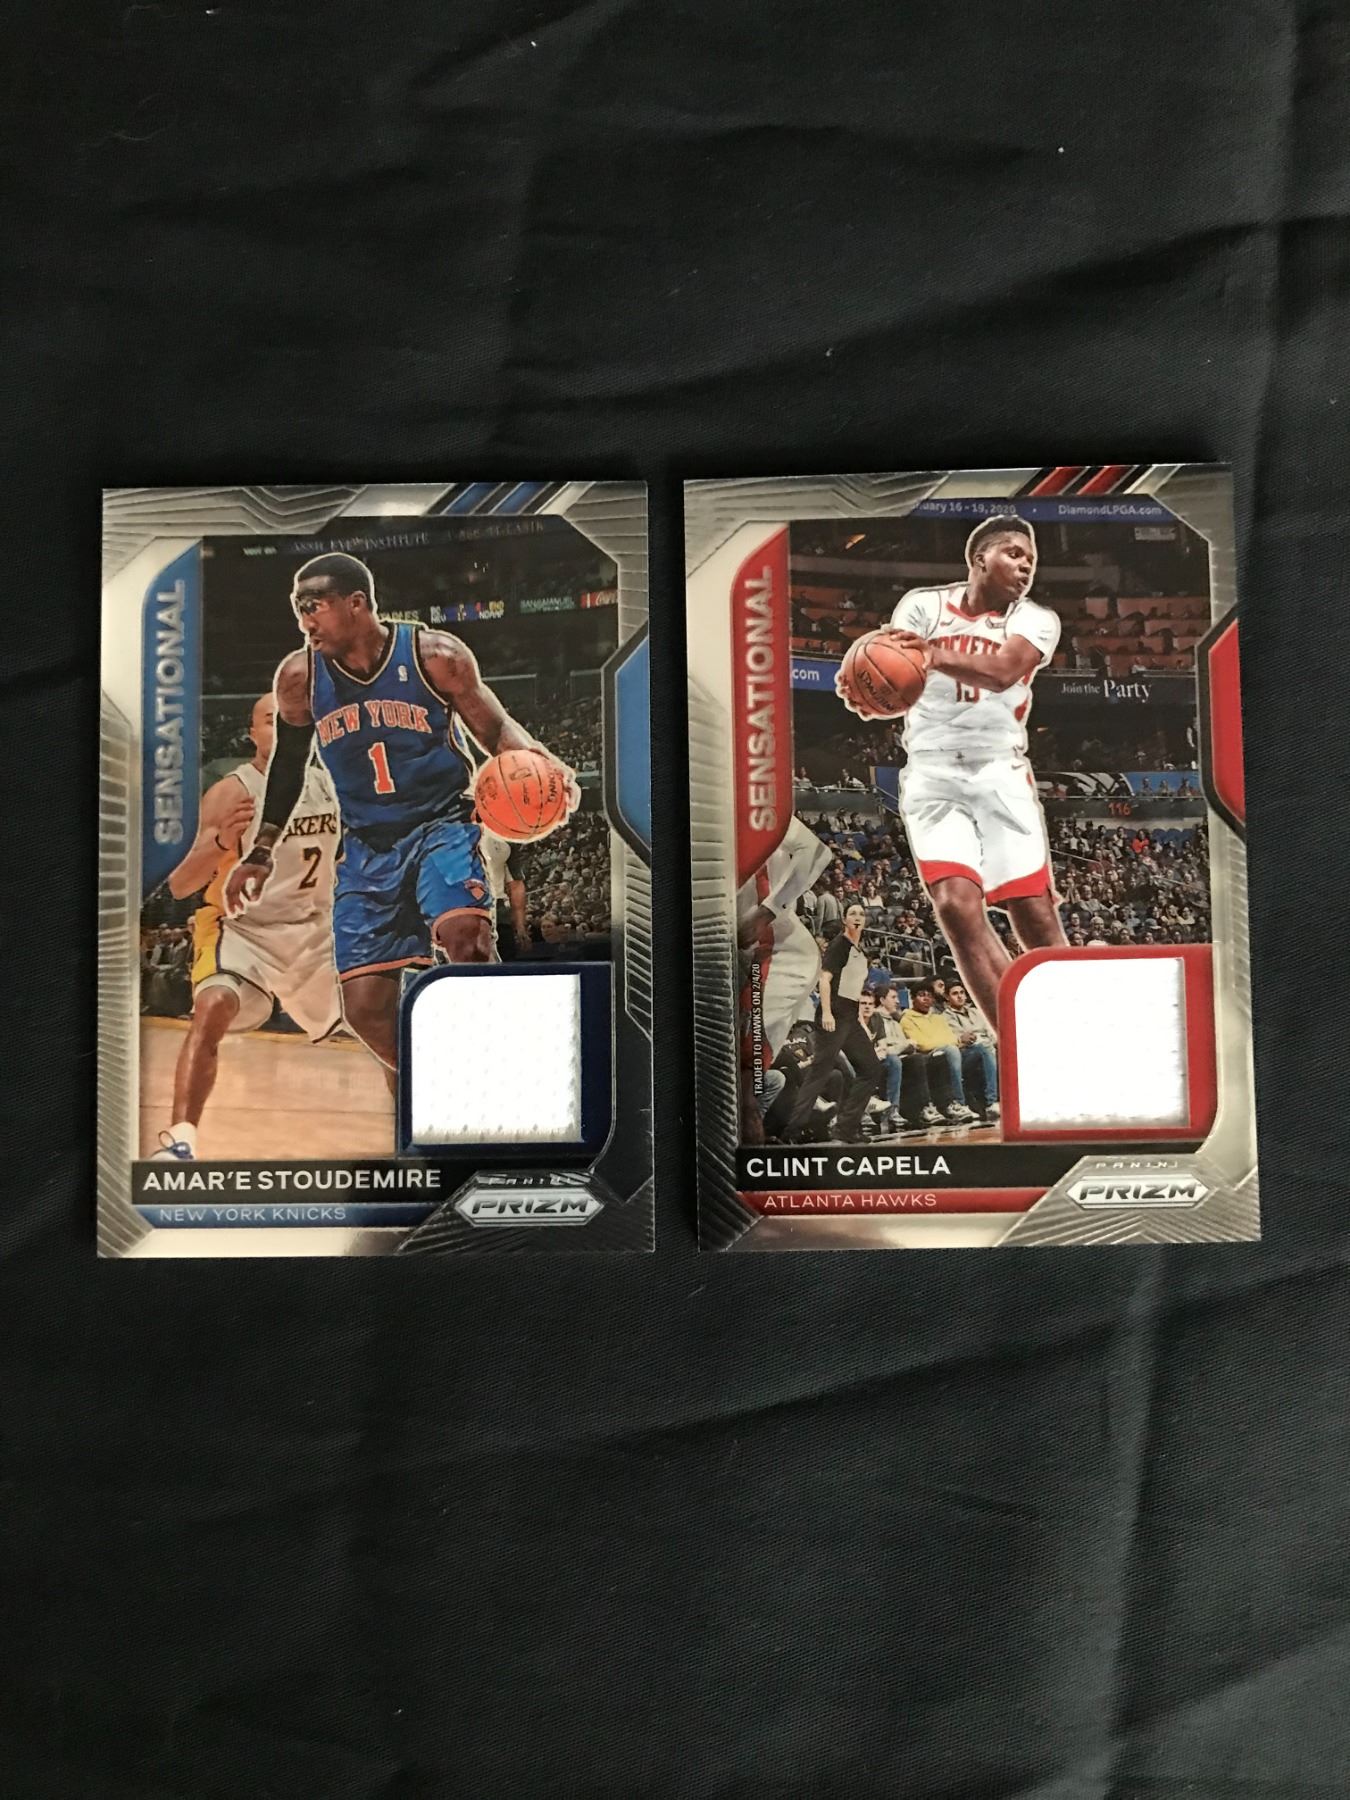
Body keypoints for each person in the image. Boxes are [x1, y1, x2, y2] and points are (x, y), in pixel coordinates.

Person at [225, 553, 577, 1071]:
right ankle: (440, 1081)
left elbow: (495, 730)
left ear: (356, 603)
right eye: (299, 609)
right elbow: (288, 764)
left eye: (314, 606)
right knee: (365, 1009)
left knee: (467, 942)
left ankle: (511, 1067)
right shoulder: (299, 678)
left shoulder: (435, 655)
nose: (304, 622)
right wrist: (260, 851)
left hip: (441, 826)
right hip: (367, 846)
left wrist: (543, 765)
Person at [836, 513, 1066, 1027]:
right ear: (980, 558)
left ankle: (1073, 1024)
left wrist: (932, 654)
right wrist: (866, 690)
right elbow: (893, 668)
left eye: (1031, 558)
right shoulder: (922, 605)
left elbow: (1004, 671)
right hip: (933, 772)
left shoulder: (1036, 619)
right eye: (1014, 552)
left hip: (999, 771)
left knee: (1034, 914)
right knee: (956, 908)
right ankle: (1020, 1039)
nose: (1026, 565)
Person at [152, 695, 341, 1160]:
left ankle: (425, 1140)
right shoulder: (232, 792)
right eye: (270, 721)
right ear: (252, 733)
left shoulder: (332, 785)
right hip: (241, 929)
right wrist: (220, 841)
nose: (281, 728)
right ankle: (180, 1141)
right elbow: (180, 884)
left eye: (292, 720)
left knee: (387, 1022)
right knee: (213, 1005)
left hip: (315, 931)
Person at [784, 902, 887, 1143]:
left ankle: (846, 1129)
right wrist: (827, 1013)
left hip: (850, 1015)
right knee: (820, 1072)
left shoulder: (858, 949)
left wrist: (860, 1021)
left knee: (871, 1069)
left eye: (861, 914)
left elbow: (853, 989)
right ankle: (792, 1131)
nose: (857, 917)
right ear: (844, 919)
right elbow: (825, 979)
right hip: (834, 1013)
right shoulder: (839, 944)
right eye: (852, 913)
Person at [898, 984, 979, 1124]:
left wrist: (951, 1042)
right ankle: (958, 1102)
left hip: (943, 1053)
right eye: (921, 995)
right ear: (913, 998)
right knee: (950, 1050)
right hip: (925, 1056)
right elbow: (922, 1044)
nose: (926, 999)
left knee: (979, 1050)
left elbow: (950, 1037)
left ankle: (989, 1102)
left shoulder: (938, 1018)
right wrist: (952, 1041)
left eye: (929, 996)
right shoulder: (907, 1019)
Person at [869, 984, 943, 1132]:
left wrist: (906, 1046)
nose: (897, 1001)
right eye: (893, 997)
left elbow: (907, 1044)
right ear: (882, 1000)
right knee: (896, 1060)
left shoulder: (896, 1020)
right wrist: (903, 1046)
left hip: (900, 1057)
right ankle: (893, 1110)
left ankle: (927, 1108)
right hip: (882, 1060)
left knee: (922, 1059)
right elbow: (882, 1050)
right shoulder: (874, 1018)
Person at [942, 981, 1000, 1121]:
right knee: (983, 1050)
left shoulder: (976, 1012)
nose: (960, 996)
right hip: (965, 1054)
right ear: (947, 997)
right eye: (955, 994)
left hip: (986, 1046)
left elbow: (990, 1032)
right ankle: (991, 1101)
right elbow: (962, 1038)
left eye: (962, 993)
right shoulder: (945, 1016)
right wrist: (980, 1039)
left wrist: (994, 1041)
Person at [480, 830, 529, 959]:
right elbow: (516, 885)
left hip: (497, 910)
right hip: (465, 907)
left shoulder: (506, 838)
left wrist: (520, 925)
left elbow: (516, 885)